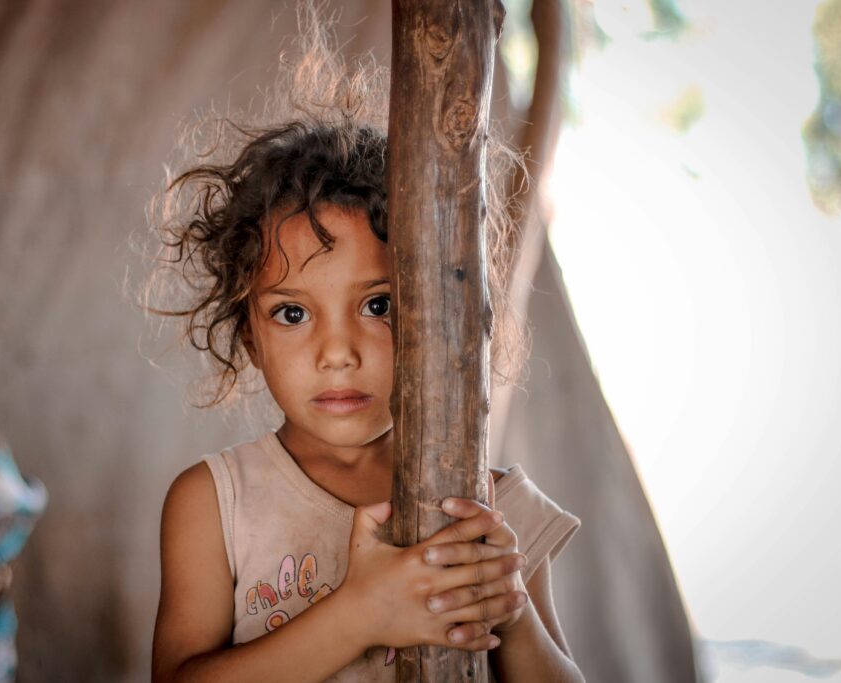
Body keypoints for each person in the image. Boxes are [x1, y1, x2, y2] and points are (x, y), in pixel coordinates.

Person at [144, 9, 583, 683]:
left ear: (435, 320)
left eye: (377, 305)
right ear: (248, 334)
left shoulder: (489, 507)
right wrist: (362, 613)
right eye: (292, 312)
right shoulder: (214, 503)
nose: (337, 351)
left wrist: (511, 609)